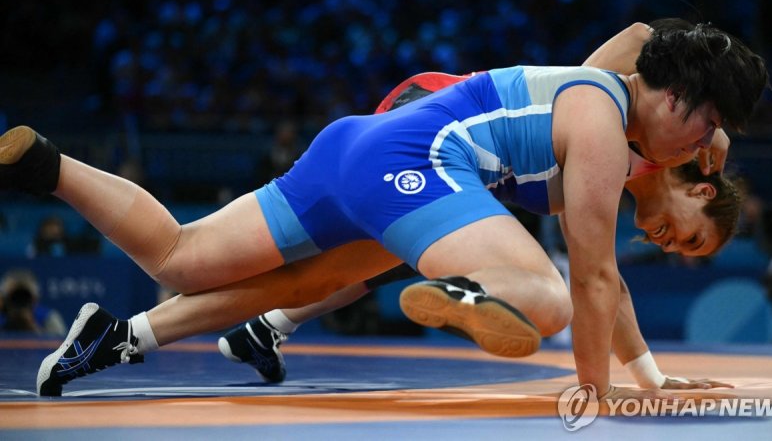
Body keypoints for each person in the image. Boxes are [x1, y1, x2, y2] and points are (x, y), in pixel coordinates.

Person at [0, 19, 769, 399]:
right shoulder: (605, 122)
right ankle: (477, 289)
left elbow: (613, 276)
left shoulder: (618, 120)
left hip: (359, 148)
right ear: (672, 96)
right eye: (702, 129)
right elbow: (598, 281)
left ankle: (49, 167)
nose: (703, 145)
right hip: (420, 154)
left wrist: (648, 374)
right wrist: (598, 401)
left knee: (180, 253)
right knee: (546, 295)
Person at [217, 70, 743, 384]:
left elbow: (609, 282)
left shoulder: (643, 150)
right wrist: (715, 118)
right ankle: (261, 321)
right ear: (702, 190)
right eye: (691, 237)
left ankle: (262, 327)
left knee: (381, 259)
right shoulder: (628, 121)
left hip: (476, 157)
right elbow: (637, 42)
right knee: (380, 253)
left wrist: (649, 377)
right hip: (441, 122)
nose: (672, 246)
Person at [0, 268, 67, 336]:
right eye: (14, 297)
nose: (20, 301)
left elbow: (63, 344)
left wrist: (33, 328)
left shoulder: (48, 318)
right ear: (5, 299)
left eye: (25, 297)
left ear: (35, 298)